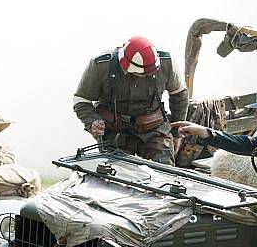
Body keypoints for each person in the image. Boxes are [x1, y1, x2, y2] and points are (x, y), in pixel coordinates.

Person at [73, 36, 189, 165]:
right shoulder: (101, 65)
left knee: (164, 173)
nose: (147, 76)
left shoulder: (166, 62)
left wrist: (176, 133)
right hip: (114, 130)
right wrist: (93, 121)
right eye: (143, 74)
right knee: (114, 175)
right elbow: (81, 100)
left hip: (153, 129)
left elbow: (179, 95)